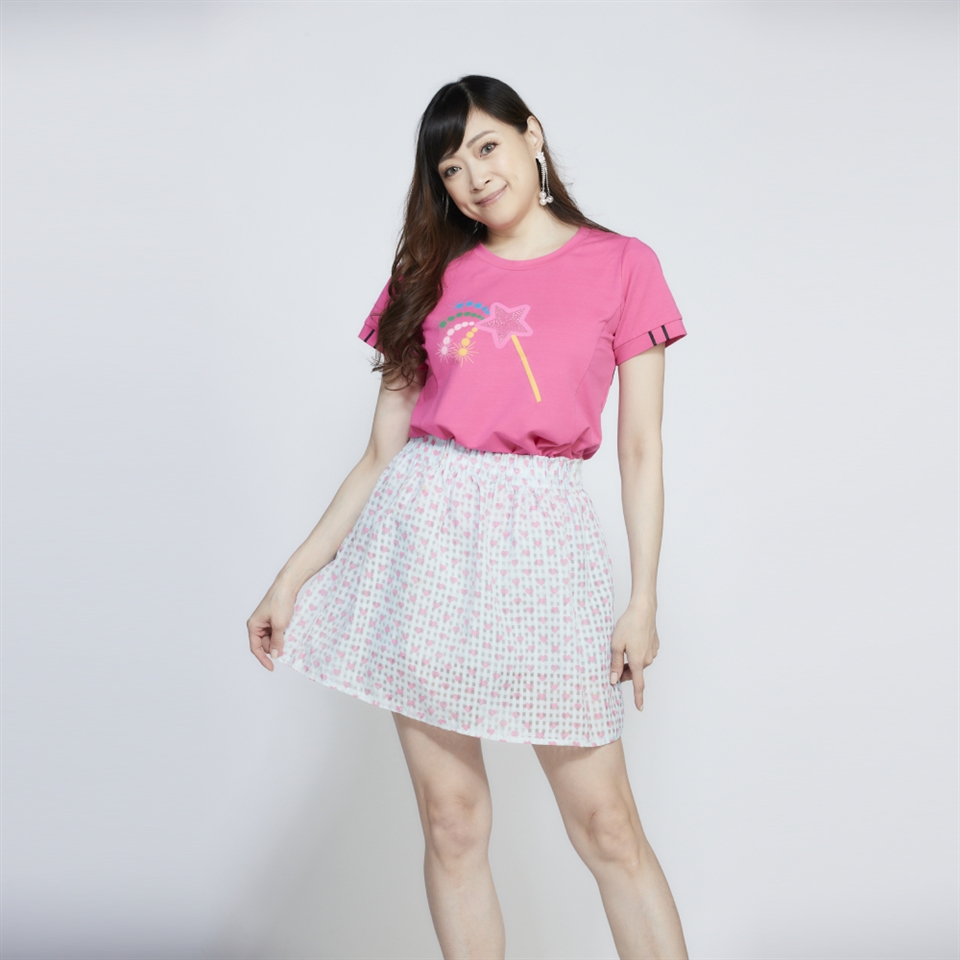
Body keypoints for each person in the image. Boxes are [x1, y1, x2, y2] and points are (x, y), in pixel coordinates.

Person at [247, 74, 689, 959]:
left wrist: (642, 599)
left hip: (544, 545)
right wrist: (289, 580)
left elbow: (641, 450)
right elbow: (380, 455)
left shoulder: (623, 264)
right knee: (452, 821)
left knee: (607, 827)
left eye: (487, 147)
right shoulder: (426, 273)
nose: (475, 176)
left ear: (532, 135)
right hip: (424, 546)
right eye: (451, 167)